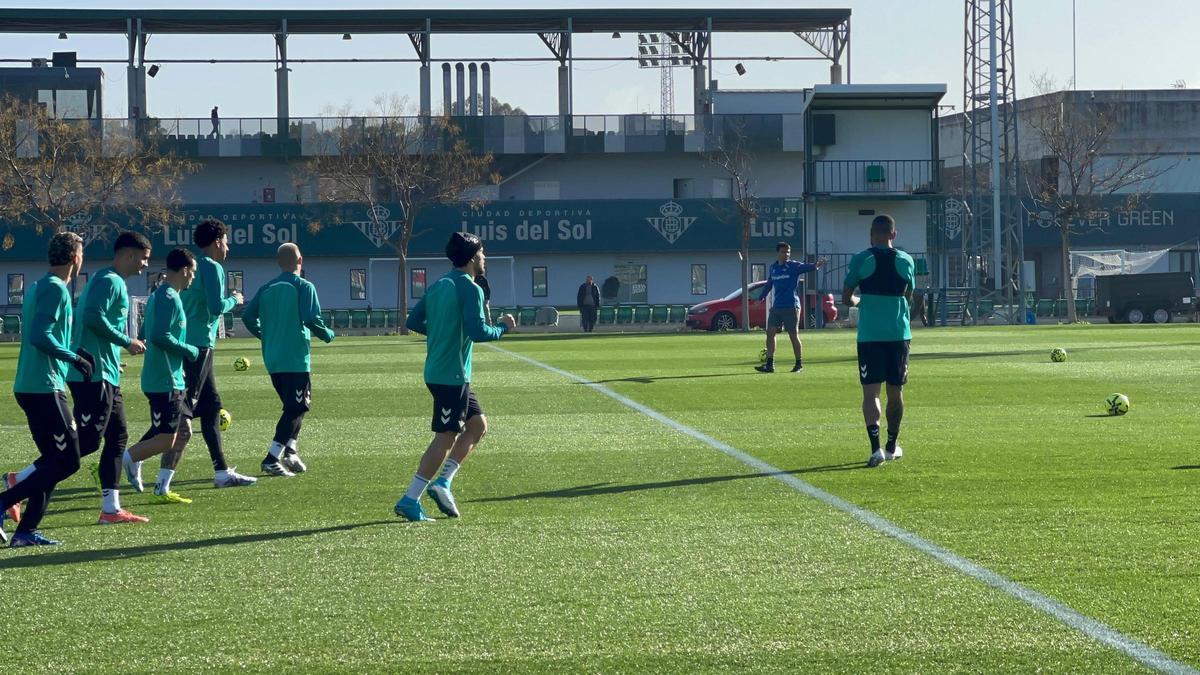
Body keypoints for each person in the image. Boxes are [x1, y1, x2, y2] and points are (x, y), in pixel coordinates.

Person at [397, 232, 515, 522]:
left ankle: (443, 482)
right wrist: (503, 327)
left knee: (477, 425)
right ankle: (410, 499)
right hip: (451, 373)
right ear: (474, 257)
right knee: (446, 437)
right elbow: (478, 332)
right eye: (483, 253)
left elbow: (413, 321)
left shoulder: (439, 284)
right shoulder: (469, 288)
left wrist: (442, 331)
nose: (485, 258)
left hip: (442, 370)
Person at [0, 232, 95, 546]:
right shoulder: (56, 289)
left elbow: (46, 333)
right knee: (68, 461)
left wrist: (75, 353)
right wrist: (73, 359)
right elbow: (41, 335)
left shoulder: (41, 285)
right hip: (44, 387)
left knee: (53, 461)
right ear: (74, 257)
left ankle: (25, 532)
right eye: (81, 253)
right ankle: (3, 502)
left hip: (31, 384)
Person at [66, 232, 153, 524]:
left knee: (118, 436)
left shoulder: (111, 281)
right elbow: (92, 317)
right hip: (93, 375)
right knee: (90, 441)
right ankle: (21, 480)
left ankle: (111, 508)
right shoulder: (109, 281)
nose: (144, 265)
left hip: (106, 371)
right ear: (129, 254)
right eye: (143, 258)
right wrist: (126, 341)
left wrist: (115, 356)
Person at [241, 243, 336, 478]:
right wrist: (327, 334)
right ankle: (271, 457)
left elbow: (247, 316)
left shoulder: (266, 288)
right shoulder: (304, 286)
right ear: (300, 260)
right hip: (295, 357)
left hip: (272, 358)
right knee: (295, 408)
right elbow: (311, 317)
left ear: (278, 262)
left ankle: (291, 451)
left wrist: (264, 334)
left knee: (298, 406)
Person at [179, 218, 256, 488]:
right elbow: (214, 307)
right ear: (218, 241)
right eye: (227, 241)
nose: (228, 247)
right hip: (198, 345)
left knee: (211, 406)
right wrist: (235, 299)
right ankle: (133, 457)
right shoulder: (212, 267)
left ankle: (221, 471)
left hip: (192, 342)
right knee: (183, 410)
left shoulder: (195, 267)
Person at [121, 248, 200, 503]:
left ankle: (161, 486)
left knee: (183, 429)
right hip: (165, 379)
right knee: (167, 439)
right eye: (193, 273)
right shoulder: (168, 297)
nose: (193, 279)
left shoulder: (161, 295)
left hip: (169, 377)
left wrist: (141, 341)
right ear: (185, 270)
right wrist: (189, 350)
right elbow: (160, 336)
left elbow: (146, 331)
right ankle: (125, 459)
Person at [842, 215, 916, 468]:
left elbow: (846, 297)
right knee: (896, 392)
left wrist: (860, 301)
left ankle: (875, 450)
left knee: (870, 392)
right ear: (894, 235)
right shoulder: (906, 260)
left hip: (870, 336)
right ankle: (892, 446)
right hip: (898, 334)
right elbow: (909, 294)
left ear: (871, 234)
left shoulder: (862, 259)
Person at [755, 243, 825, 373]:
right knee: (770, 333)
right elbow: (769, 284)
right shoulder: (773, 268)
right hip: (777, 307)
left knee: (793, 335)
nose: (786, 254)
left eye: (788, 252)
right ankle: (770, 364)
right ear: (778, 253)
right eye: (783, 252)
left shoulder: (793, 266)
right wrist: (761, 298)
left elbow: (807, 267)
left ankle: (799, 364)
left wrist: (816, 265)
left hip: (791, 306)